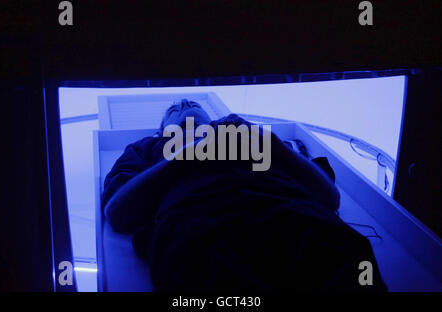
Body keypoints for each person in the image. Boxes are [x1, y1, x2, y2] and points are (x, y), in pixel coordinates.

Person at [102, 99, 387, 292]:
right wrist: (188, 155)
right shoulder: (146, 148)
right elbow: (118, 211)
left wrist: (265, 140)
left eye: (193, 103)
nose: (186, 104)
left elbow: (329, 197)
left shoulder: (256, 137)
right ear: (161, 129)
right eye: (175, 108)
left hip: (303, 221)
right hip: (201, 232)